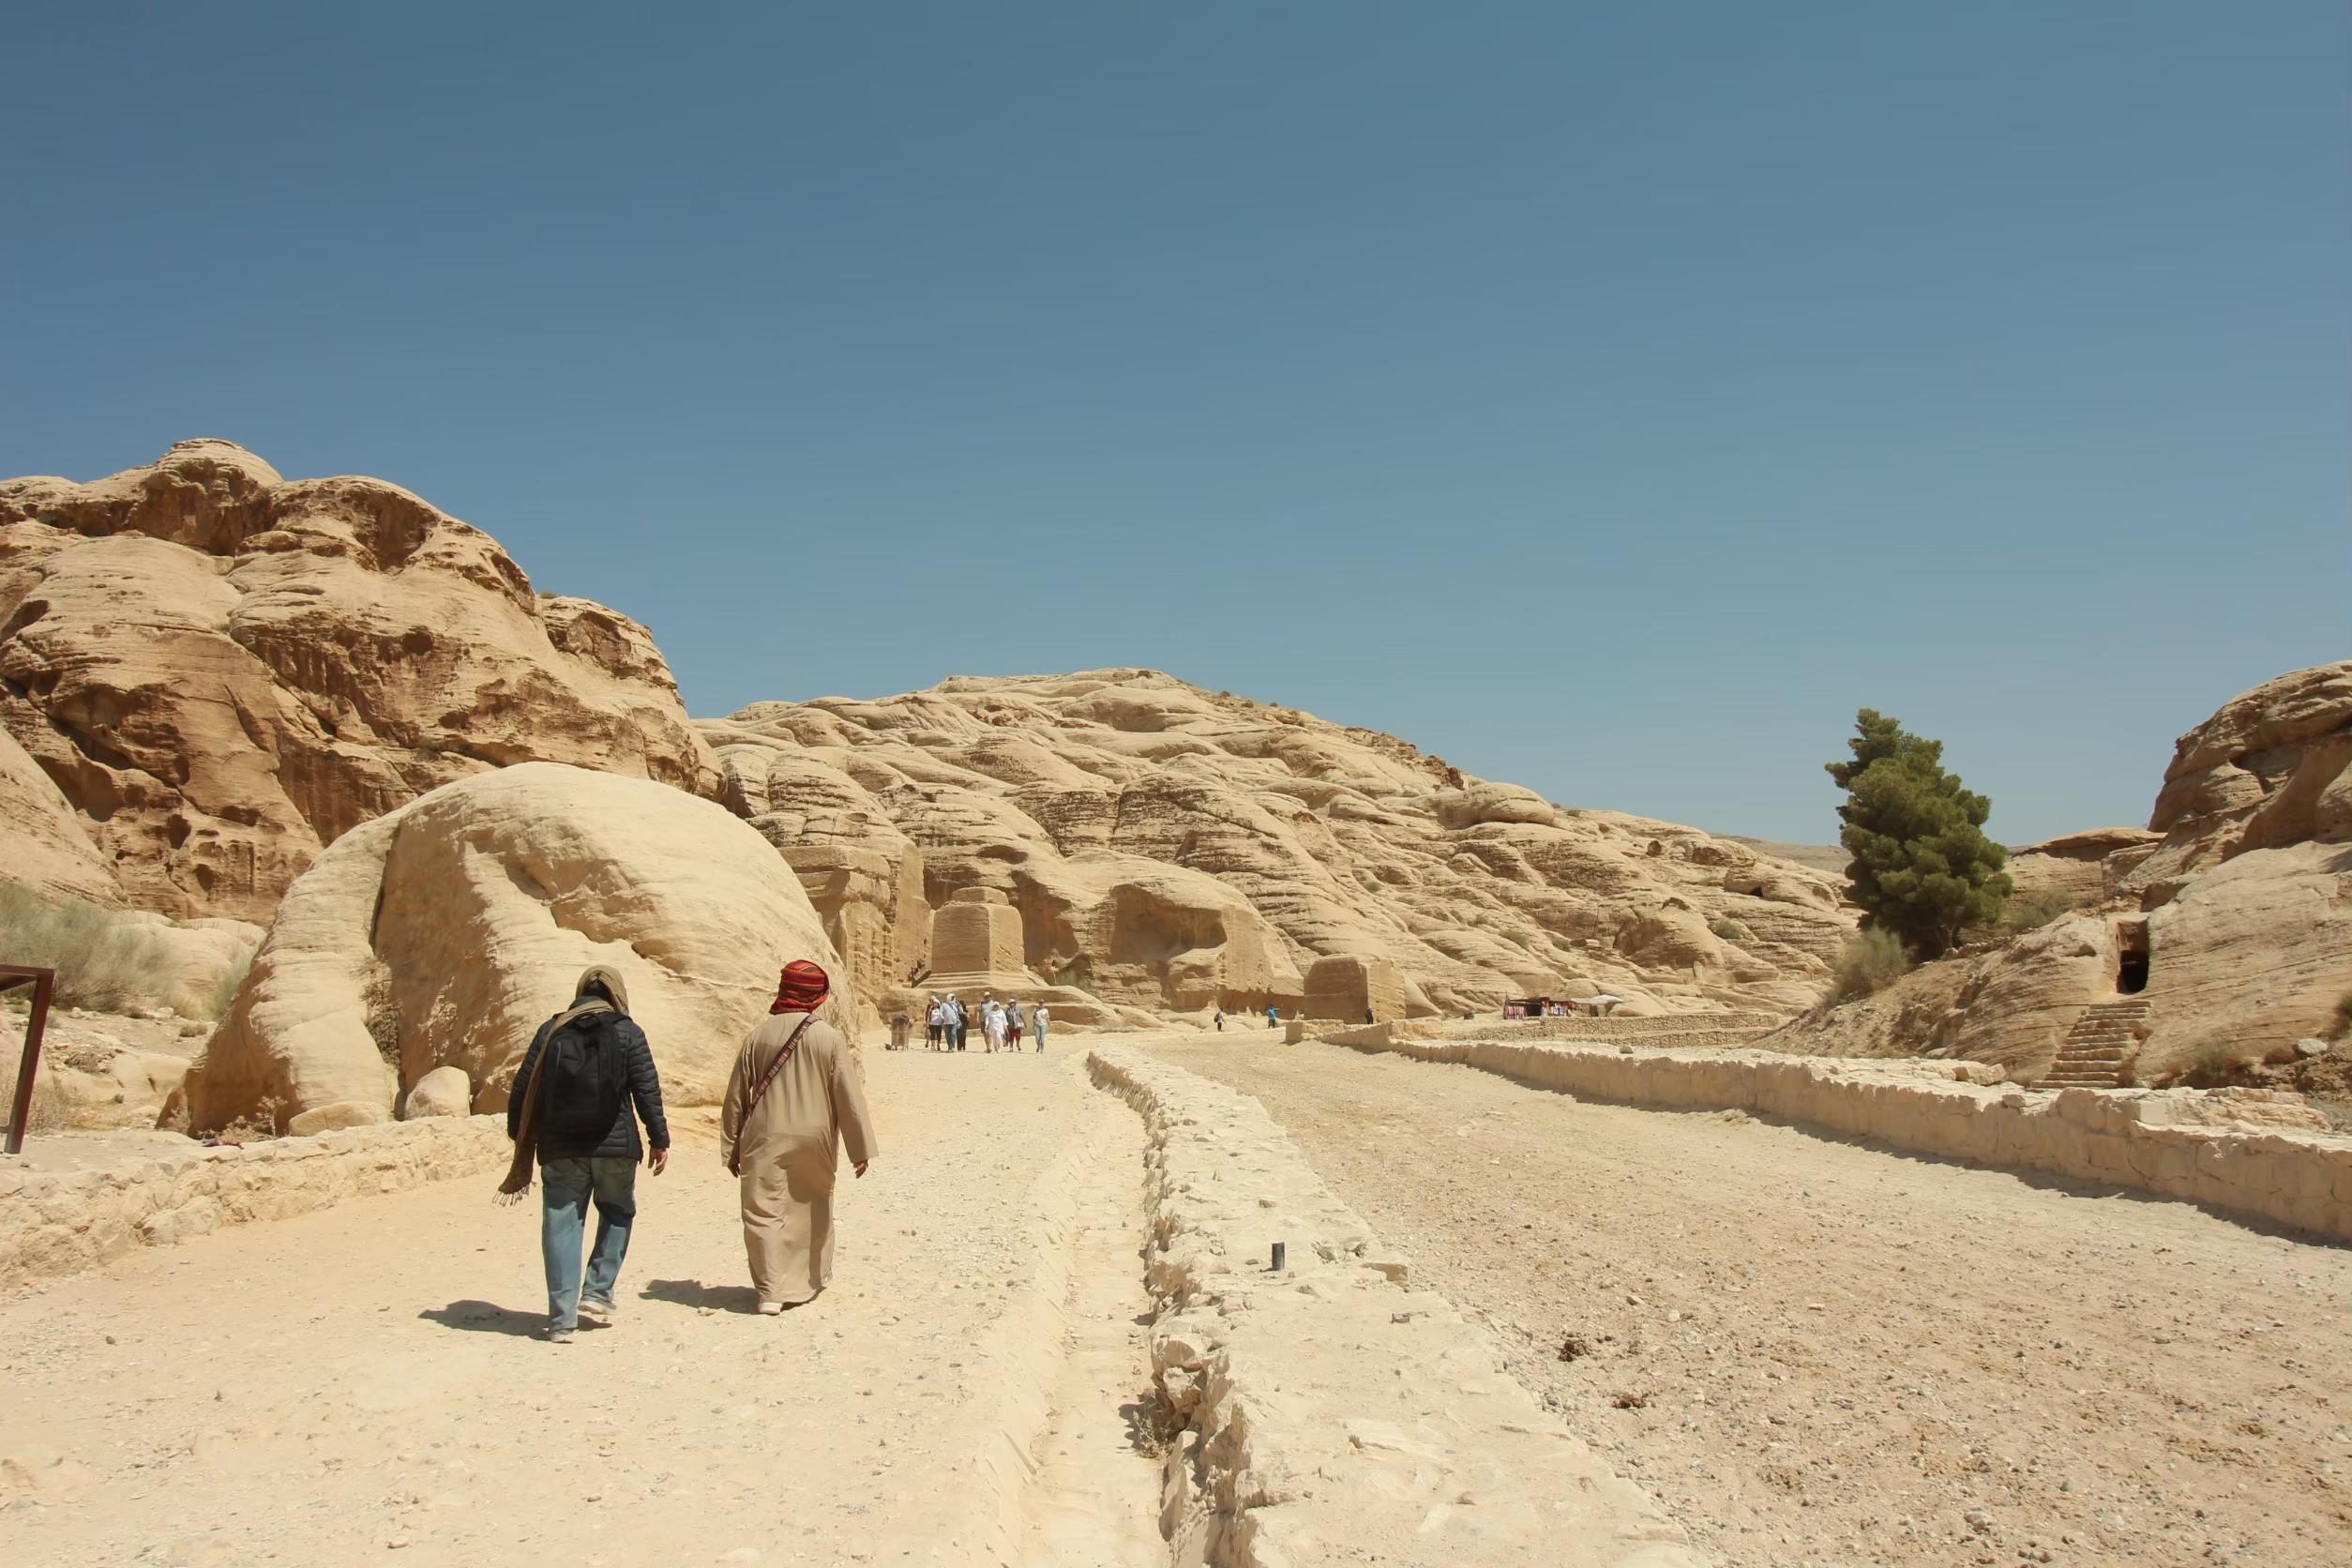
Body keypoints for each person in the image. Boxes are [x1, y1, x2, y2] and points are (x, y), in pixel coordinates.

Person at [500, 964, 670, 1344]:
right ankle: (597, 1292)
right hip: (616, 1145)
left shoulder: (552, 1030)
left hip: (560, 1148)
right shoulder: (627, 1030)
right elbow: (647, 1089)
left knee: (561, 1223)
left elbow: (524, 1085)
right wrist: (659, 1138)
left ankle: (561, 1321)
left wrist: (520, 1135)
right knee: (617, 1211)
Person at [720, 960, 879, 1314]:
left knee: (763, 1211)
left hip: (764, 1134)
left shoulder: (757, 1036)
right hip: (815, 1134)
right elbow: (847, 1096)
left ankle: (770, 1291)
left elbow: (736, 1095)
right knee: (813, 1203)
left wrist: (732, 1145)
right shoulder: (828, 1037)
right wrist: (859, 1148)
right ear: (818, 997)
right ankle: (810, 1280)